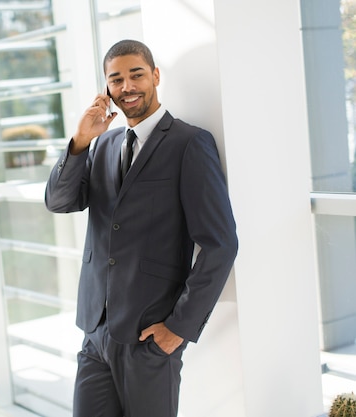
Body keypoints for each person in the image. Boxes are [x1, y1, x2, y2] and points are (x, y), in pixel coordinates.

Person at [44, 39, 238, 417]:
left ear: (155, 76)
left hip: (149, 334)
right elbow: (59, 201)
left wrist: (178, 328)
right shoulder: (102, 145)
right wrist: (81, 140)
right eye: (116, 80)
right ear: (107, 89)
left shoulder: (189, 143)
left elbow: (221, 244)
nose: (127, 87)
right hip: (95, 331)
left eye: (136, 75)